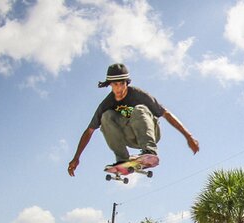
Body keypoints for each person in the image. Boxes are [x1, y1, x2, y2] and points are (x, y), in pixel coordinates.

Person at [67, 63, 199, 177]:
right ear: (110, 85)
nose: (119, 88)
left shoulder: (138, 94)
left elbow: (166, 114)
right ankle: (122, 160)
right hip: (129, 137)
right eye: (115, 84)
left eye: (122, 84)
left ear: (127, 83)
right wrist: (76, 157)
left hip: (149, 132)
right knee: (106, 117)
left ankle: (149, 151)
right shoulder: (107, 103)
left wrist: (188, 136)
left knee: (139, 109)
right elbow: (89, 131)